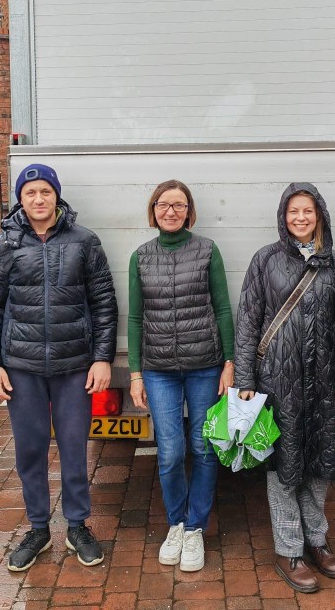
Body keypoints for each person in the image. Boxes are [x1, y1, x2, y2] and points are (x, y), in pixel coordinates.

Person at [0, 163, 118, 572]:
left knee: (75, 447)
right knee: (30, 450)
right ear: (20, 199)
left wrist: (102, 357)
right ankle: (38, 528)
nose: (38, 199)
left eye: (45, 191)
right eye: (30, 193)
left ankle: (77, 526)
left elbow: (104, 303)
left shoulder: (84, 242)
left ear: (57, 196)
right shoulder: (3, 245)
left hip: (74, 364)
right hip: (21, 366)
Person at [234, 183, 335, 594]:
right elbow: (248, 321)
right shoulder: (266, 259)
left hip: (323, 382)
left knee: (319, 464)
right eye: (293, 211)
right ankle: (289, 550)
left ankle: (317, 541)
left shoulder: (334, 264)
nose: (300, 218)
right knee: (283, 468)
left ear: (319, 215)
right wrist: (245, 379)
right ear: (283, 217)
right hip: (278, 381)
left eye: (308, 211)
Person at [127, 180, 235, 572]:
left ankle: (195, 528)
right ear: (153, 210)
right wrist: (135, 373)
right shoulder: (141, 257)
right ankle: (176, 522)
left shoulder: (207, 250)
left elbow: (223, 308)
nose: (170, 211)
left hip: (205, 365)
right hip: (159, 371)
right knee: (170, 451)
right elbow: (135, 318)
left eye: (179, 205)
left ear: (189, 212)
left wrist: (230, 362)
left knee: (203, 448)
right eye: (163, 204)